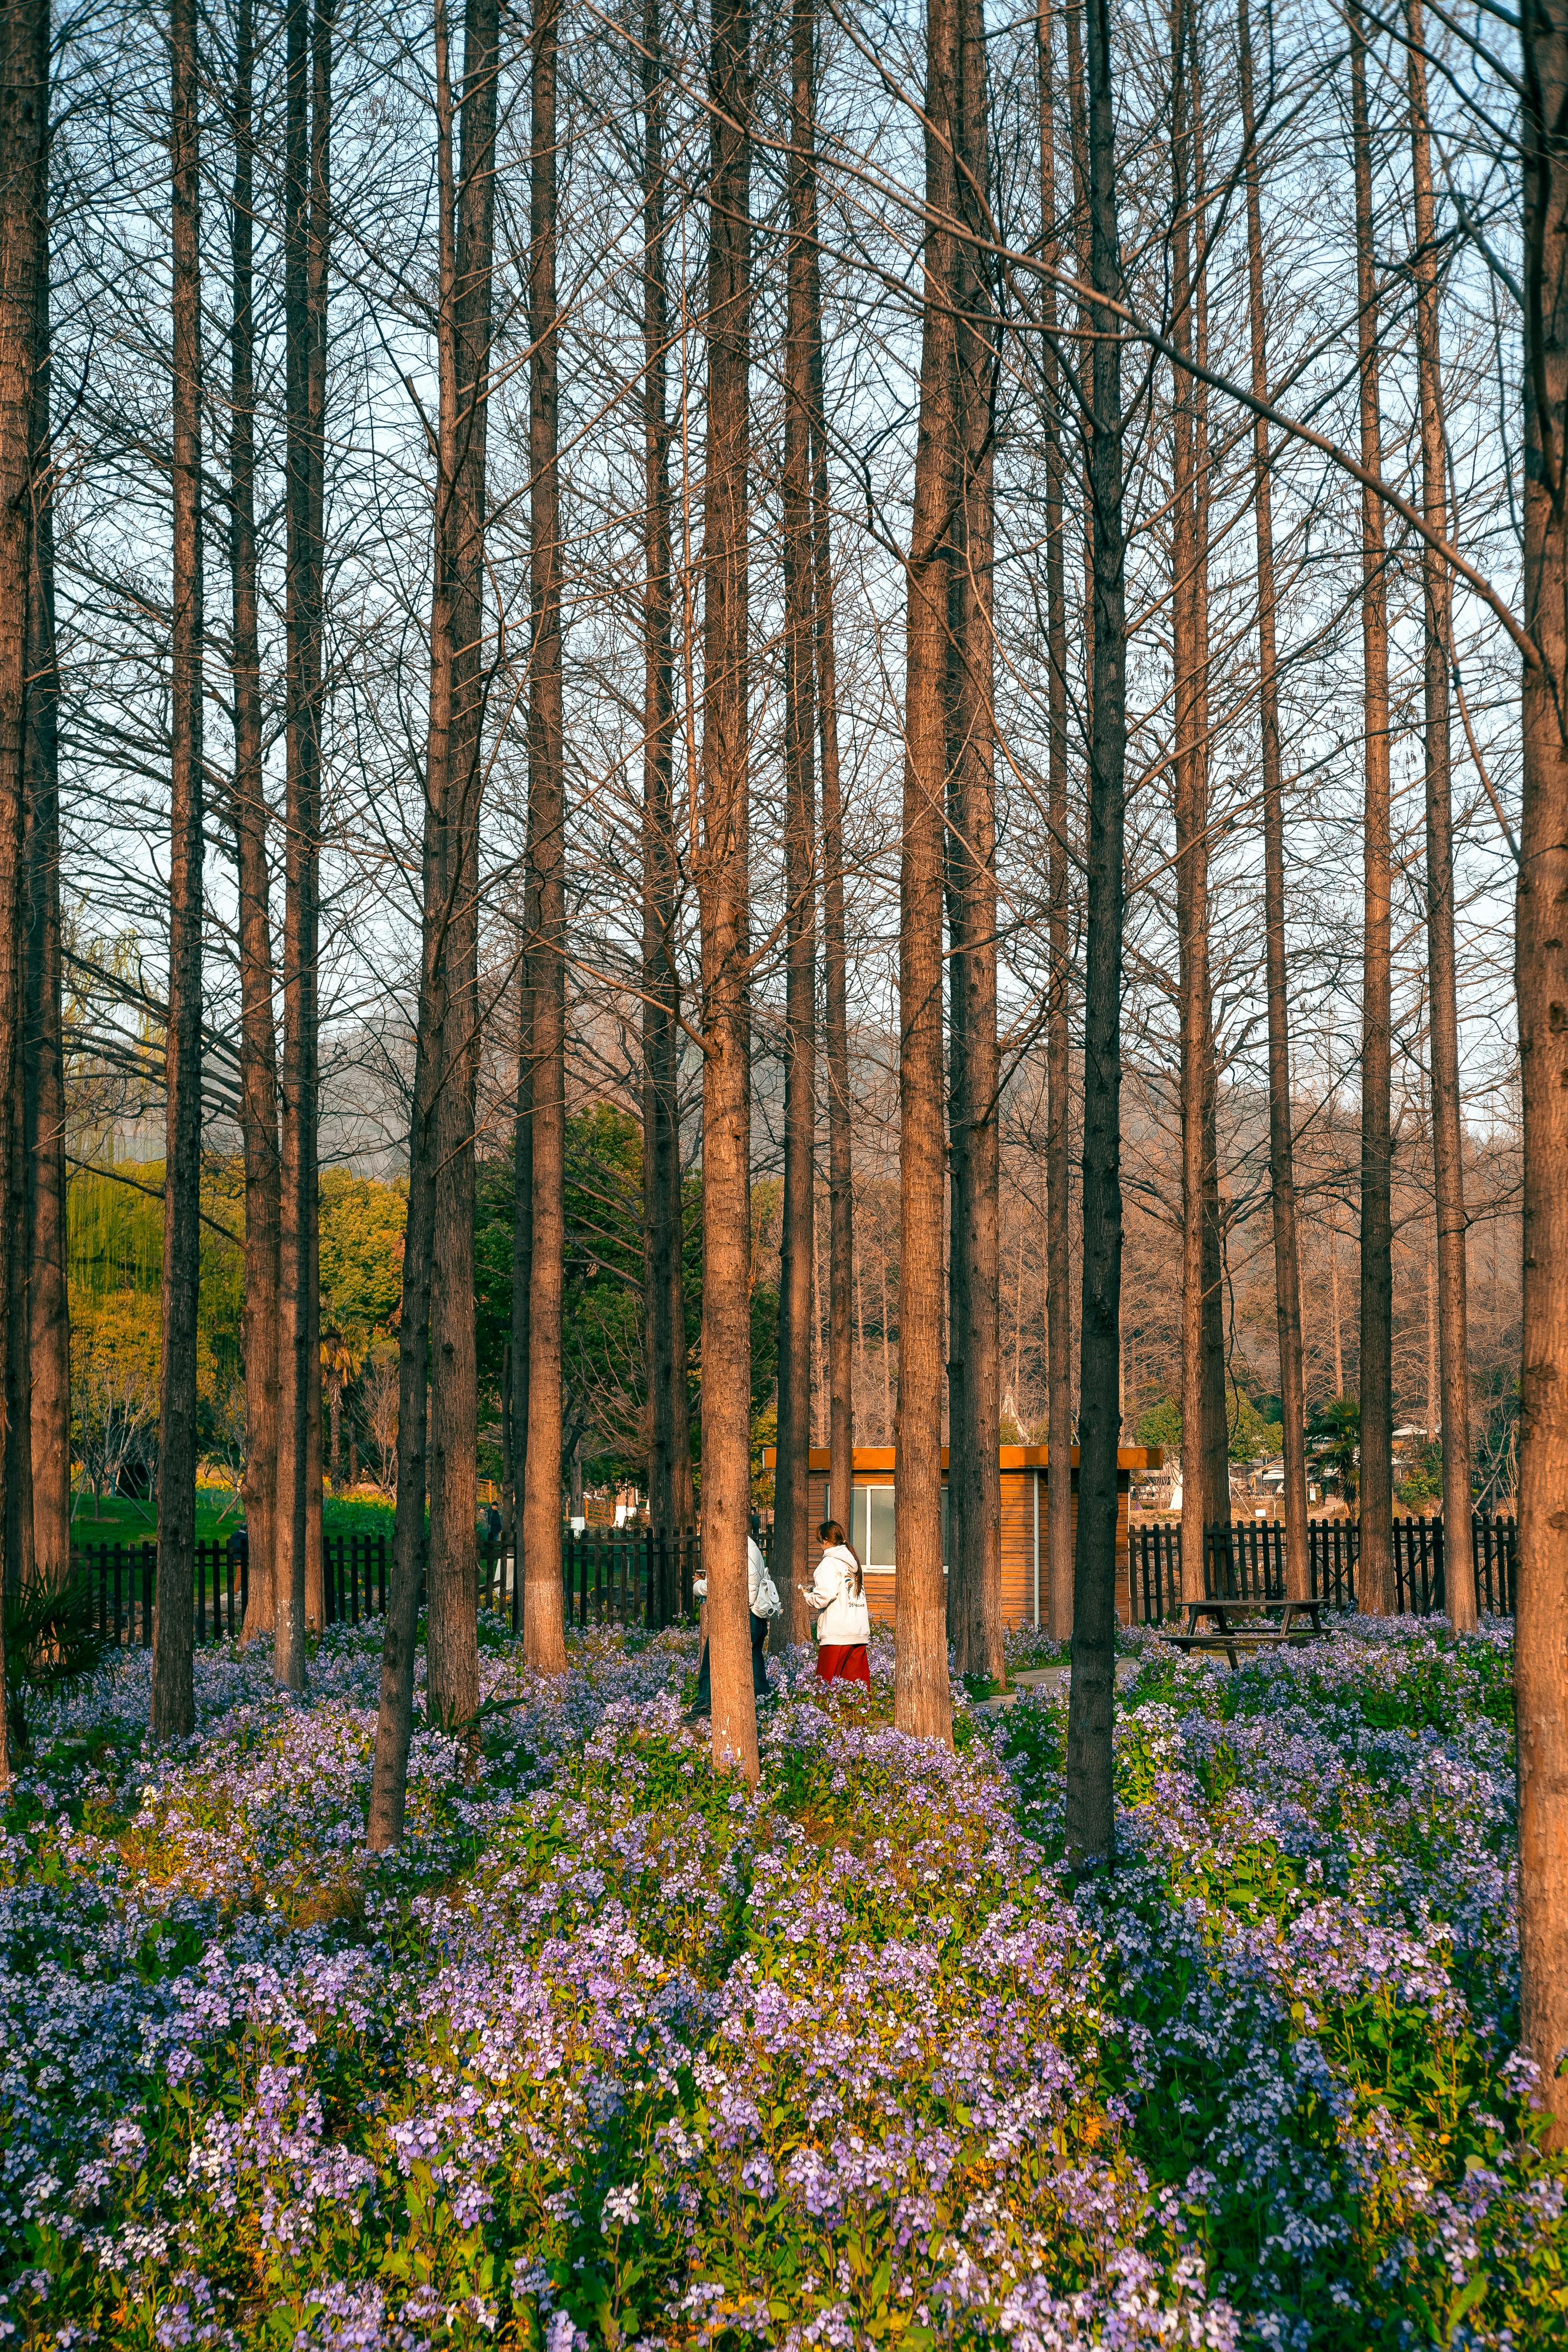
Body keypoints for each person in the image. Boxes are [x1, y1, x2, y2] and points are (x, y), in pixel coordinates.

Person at [688, 1519, 782, 1716]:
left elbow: (725, 1584)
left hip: (742, 1616)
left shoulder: (734, 1549)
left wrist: (699, 1586)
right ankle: (764, 1707)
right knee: (754, 1662)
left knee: (711, 1660)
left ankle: (703, 1708)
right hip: (756, 1617)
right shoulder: (751, 1546)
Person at [800, 1520, 871, 1687]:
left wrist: (809, 1597)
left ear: (825, 1540)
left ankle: (822, 1713)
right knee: (855, 1686)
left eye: (820, 1541)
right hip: (858, 1631)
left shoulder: (829, 1564)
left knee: (825, 1684)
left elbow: (825, 1595)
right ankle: (857, 1714)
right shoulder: (853, 1563)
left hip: (837, 1633)